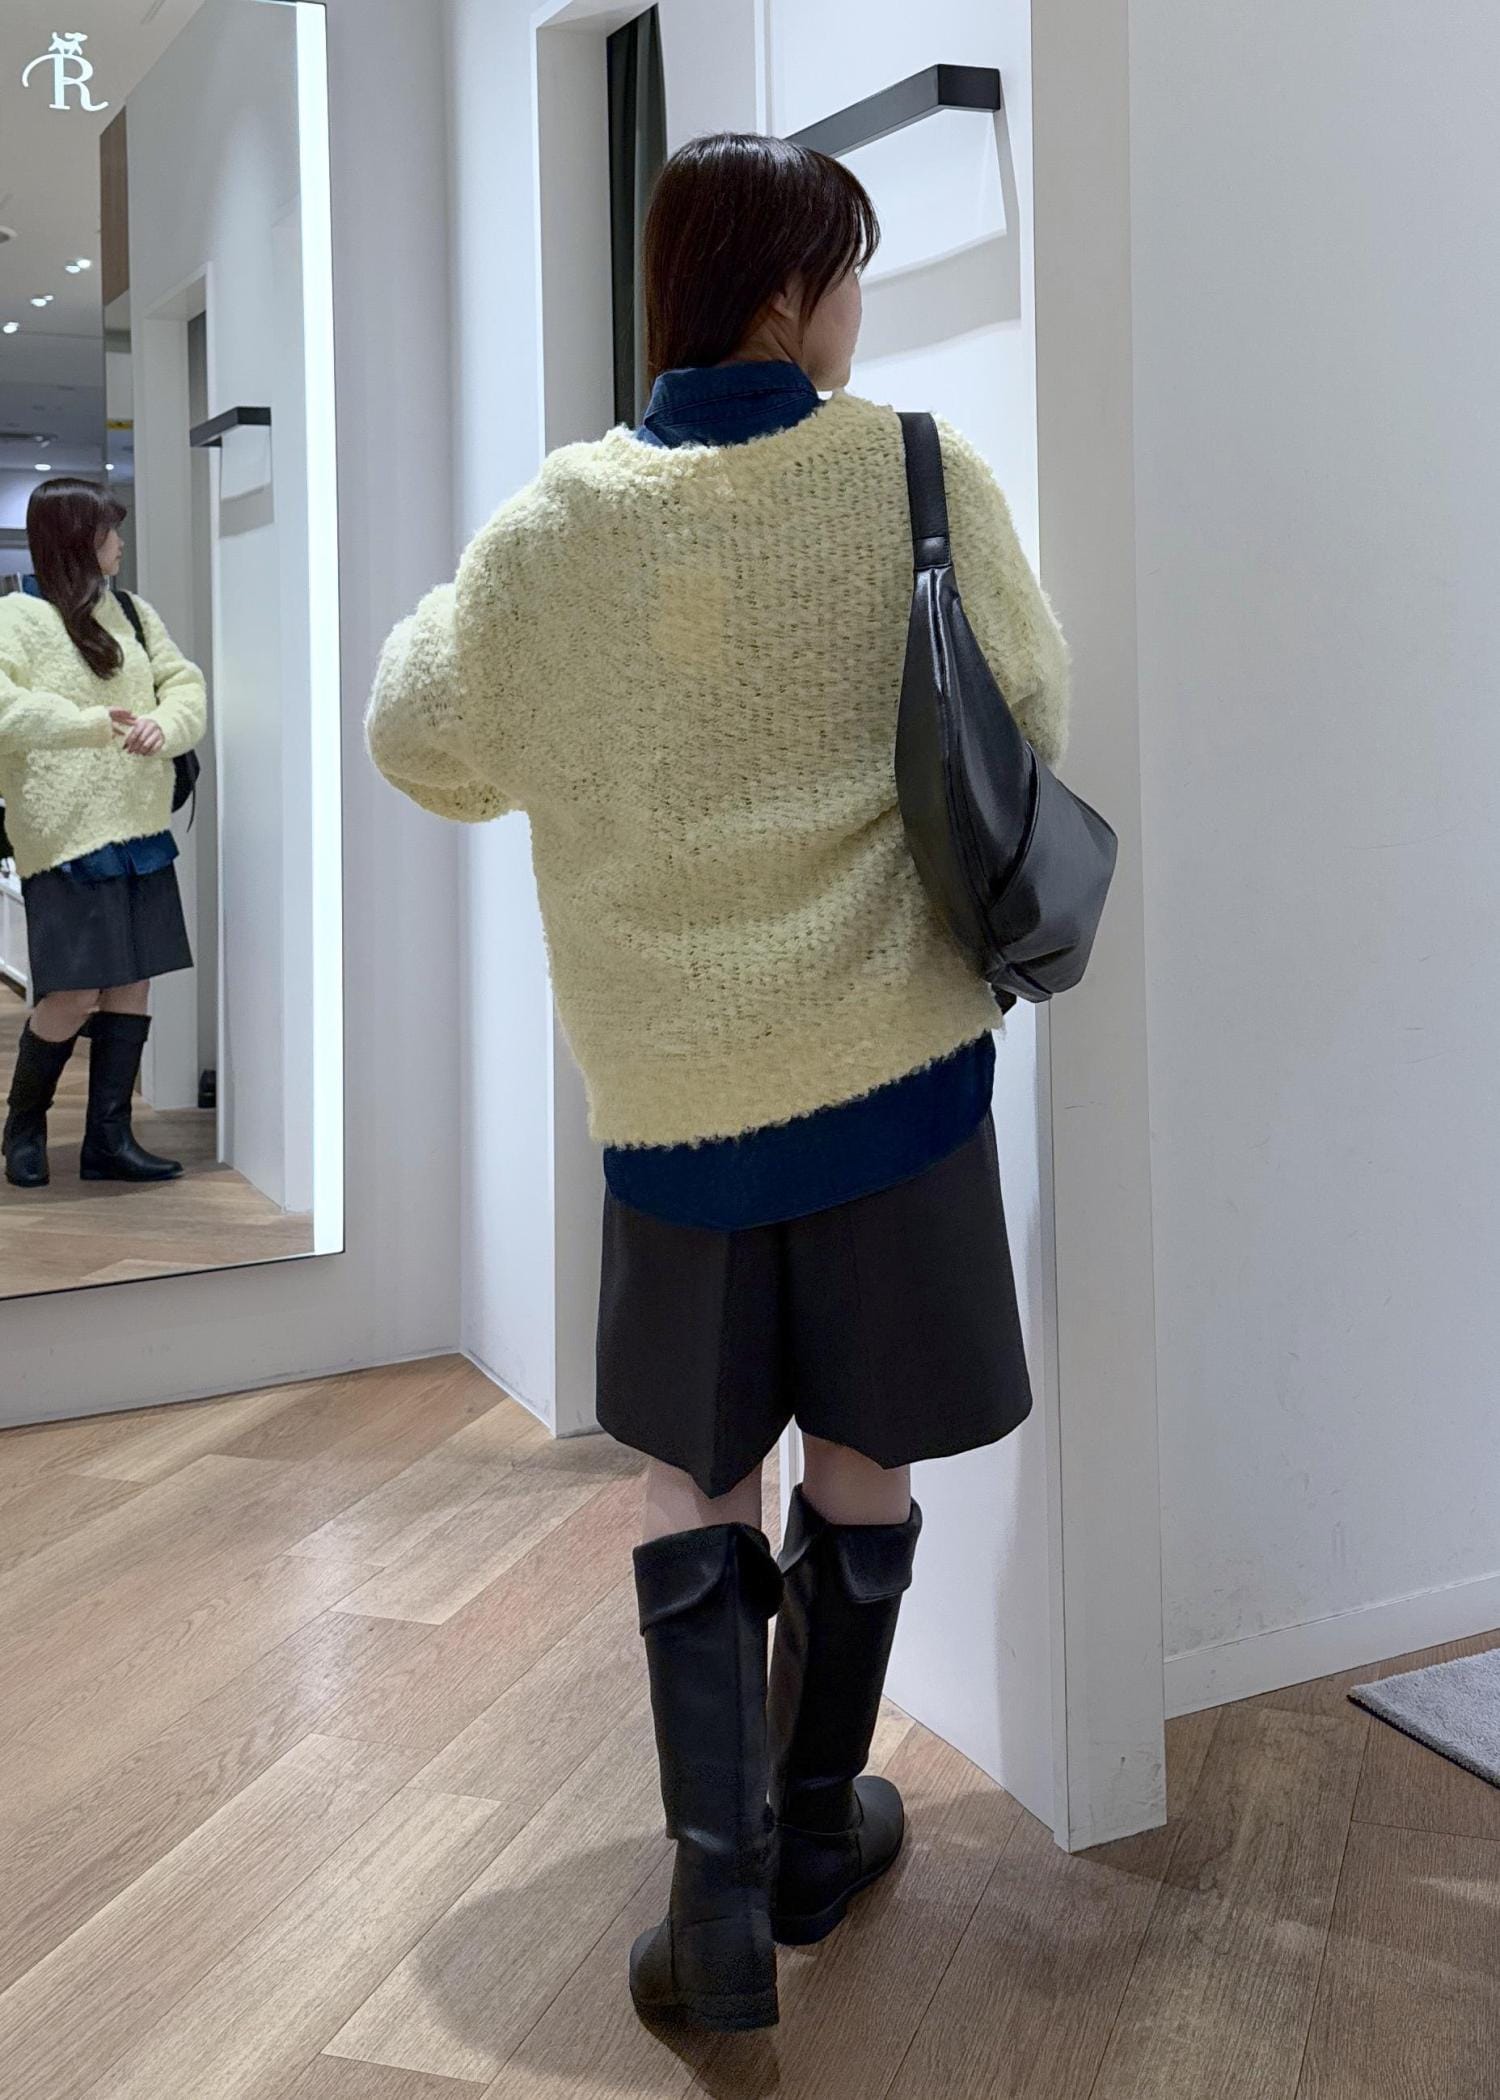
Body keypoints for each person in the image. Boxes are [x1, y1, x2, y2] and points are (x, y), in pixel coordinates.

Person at [367, 133, 1070, 2033]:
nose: (857, 307)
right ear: (783, 289)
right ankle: (818, 1831)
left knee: (694, 1467)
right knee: (865, 1450)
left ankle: (721, 1900)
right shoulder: (915, 471)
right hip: (897, 1071)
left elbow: (418, 735)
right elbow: (1033, 701)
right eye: (845, 269)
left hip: (677, 1104)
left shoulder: (559, 525)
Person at [0, 479, 206, 1190]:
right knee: (72, 992)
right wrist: (90, 725)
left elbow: (185, 685)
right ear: (76, 540)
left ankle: (108, 1140)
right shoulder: (17, 617)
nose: (119, 542)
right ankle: (23, 1126)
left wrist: (166, 725)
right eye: (108, 531)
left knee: (132, 984)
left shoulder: (134, 613)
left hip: (140, 825)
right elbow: (5, 708)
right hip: (65, 834)